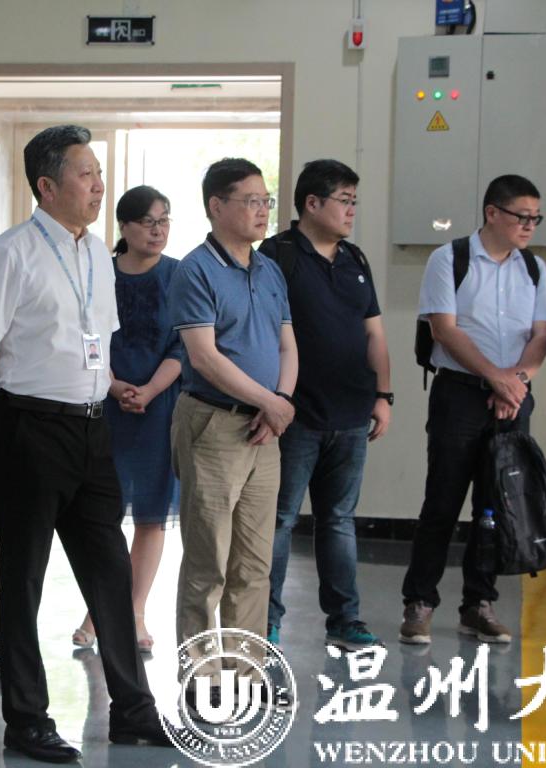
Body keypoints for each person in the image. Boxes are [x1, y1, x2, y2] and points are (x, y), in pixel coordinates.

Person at [0, 125, 170, 763]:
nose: (98, 185)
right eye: (86, 174)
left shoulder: (96, 254)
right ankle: (26, 719)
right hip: (29, 427)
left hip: (92, 426)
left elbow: (95, 340)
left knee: (110, 572)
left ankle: (133, 711)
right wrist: (2, 411)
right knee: (23, 577)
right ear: (47, 186)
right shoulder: (11, 253)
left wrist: (107, 387)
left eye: (98, 173)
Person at [400, 174, 546, 645]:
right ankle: (420, 602)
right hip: (461, 395)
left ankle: (478, 604)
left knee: (496, 503)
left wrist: (515, 382)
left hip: (513, 399)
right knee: (443, 500)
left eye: (536, 218)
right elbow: (445, 330)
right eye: (521, 216)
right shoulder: (449, 259)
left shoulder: (534, 268)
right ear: (492, 213)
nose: (529, 226)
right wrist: (495, 377)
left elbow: (541, 335)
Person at [169, 158, 298, 685]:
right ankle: (201, 677)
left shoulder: (269, 270)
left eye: (266, 201)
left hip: (265, 430)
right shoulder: (195, 269)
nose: (262, 210)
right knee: (209, 563)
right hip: (214, 426)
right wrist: (270, 403)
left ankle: (246, 671)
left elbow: (287, 345)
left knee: (253, 564)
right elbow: (204, 357)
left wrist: (279, 401)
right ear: (216, 206)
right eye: (251, 201)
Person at [258, 159, 392, 651]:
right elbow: (263, 333)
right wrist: (272, 401)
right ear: (312, 204)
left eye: (355, 201)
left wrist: (383, 395)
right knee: (279, 520)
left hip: (352, 414)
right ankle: (265, 621)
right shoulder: (277, 256)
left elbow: (374, 333)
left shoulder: (355, 259)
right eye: (344, 201)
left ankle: (344, 619)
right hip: (296, 416)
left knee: (338, 519)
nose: (352, 210)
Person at [71, 185, 182, 655]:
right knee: (103, 515)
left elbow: (184, 343)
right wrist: (113, 385)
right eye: (148, 222)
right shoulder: (101, 271)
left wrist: (151, 390)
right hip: (105, 402)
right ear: (124, 226)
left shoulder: (178, 274)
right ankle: (98, 610)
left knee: (152, 515)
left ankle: (134, 611)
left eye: (164, 220)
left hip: (160, 405)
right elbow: (87, 334)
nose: (157, 230)